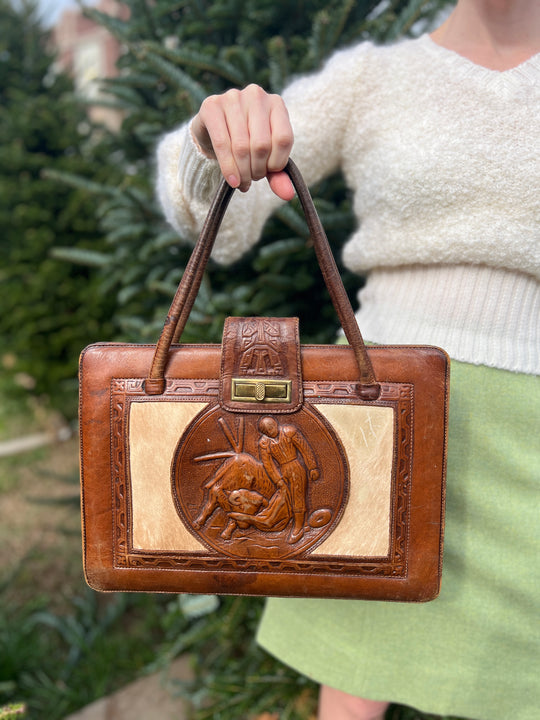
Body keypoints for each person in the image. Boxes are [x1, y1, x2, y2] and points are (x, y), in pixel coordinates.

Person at [155, 0, 539, 718]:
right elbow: (220, 222)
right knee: (353, 685)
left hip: (530, 436)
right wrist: (214, 141)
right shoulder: (372, 78)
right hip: (374, 425)